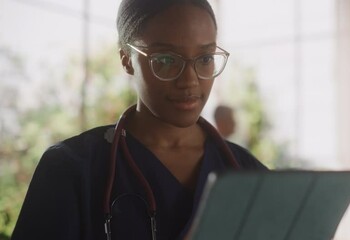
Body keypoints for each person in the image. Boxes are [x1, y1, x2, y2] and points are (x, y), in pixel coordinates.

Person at [11, 0, 266, 239]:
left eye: (205, 59)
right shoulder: (72, 169)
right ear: (126, 59)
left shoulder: (249, 174)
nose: (190, 79)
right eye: (166, 60)